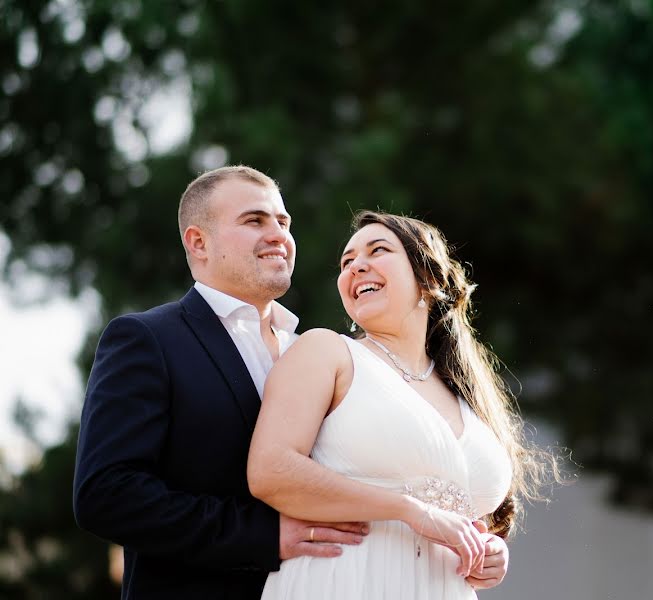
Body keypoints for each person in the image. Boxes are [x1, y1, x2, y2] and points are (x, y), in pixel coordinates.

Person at [72, 166, 370, 599]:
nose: (278, 236)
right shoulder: (147, 339)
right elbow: (106, 494)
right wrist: (262, 537)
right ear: (198, 242)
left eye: (283, 222)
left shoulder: (318, 352)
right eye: (255, 221)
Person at [248, 210, 551, 599]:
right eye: (346, 261)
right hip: (345, 582)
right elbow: (270, 471)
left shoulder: (465, 390)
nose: (357, 266)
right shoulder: (327, 351)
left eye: (378, 250)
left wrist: (490, 551)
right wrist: (409, 511)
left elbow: (473, 515)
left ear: (427, 279)